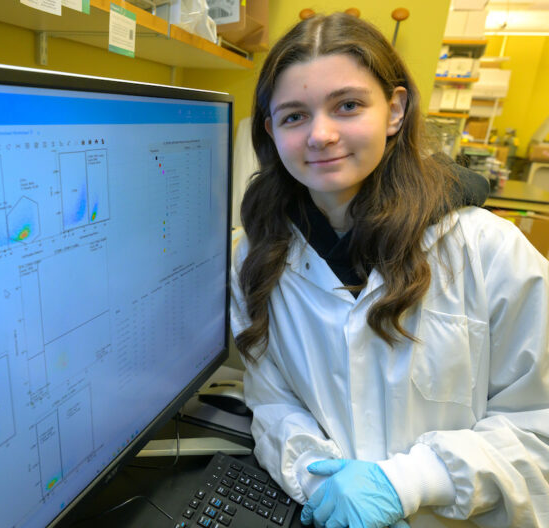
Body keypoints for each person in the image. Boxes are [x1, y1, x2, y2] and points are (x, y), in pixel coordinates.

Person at [230, 12, 549, 528]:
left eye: (348, 106)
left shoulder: (487, 249)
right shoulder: (257, 255)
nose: (322, 134)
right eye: (294, 115)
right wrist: (320, 481)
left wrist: (410, 483)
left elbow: (540, 428)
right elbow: (273, 403)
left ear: (395, 109)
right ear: (271, 130)